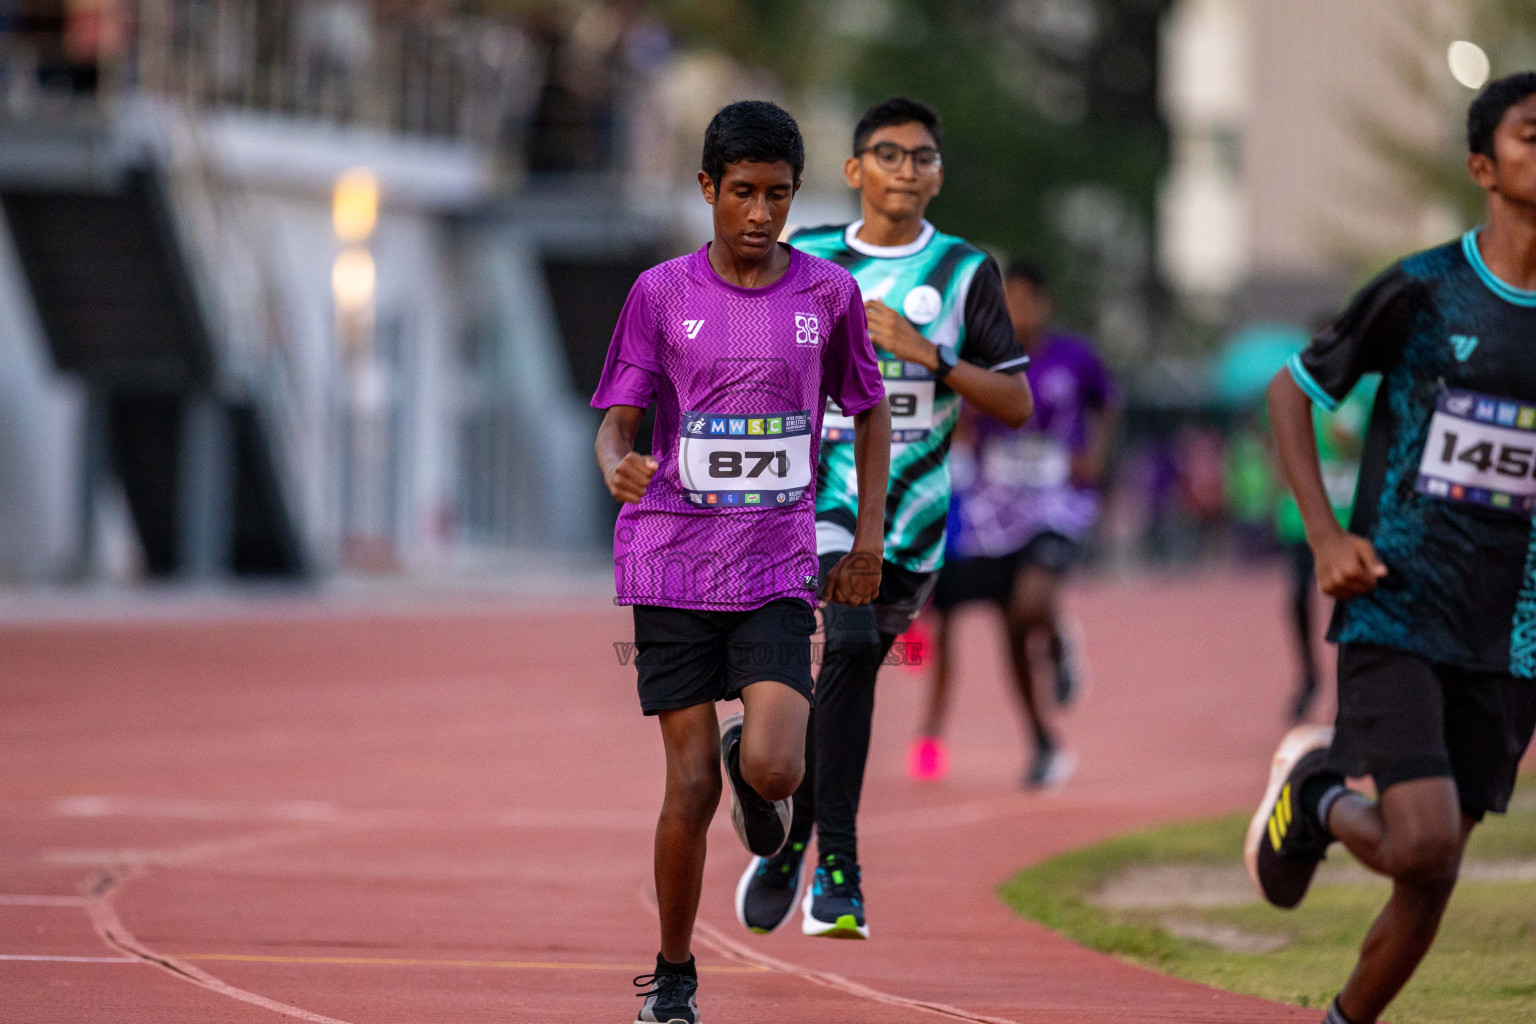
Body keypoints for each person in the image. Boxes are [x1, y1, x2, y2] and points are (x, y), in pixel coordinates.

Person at [593, 100, 891, 1024]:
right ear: (707, 191)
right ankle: (675, 976)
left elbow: (870, 408)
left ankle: (753, 776)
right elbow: (616, 424)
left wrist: (871, 533)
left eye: (779, 196)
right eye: (743, 194)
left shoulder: (827, 296)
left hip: (774, 566)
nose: (761, 214)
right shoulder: (660, 294)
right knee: (687, 786)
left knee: (773, 771)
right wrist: (618, 467)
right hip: (672, 561)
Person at [1248, 72, 1536, 1024]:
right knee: (1422, 844)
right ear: (1482, 167)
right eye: (1535, 136)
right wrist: (1326, 537)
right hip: (1400, 600)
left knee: (1435, 871)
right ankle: (1317, 784)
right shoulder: (1424, 288)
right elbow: (1293, 391)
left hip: (1516, 632)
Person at [732, 96, 1033, 940]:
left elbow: (1015, 401)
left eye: (924, 157)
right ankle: (839, 869)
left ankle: (788, 840)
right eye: (890, 154)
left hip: (916, 516)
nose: (908, 169)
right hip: (813, 498)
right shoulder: (809, 259)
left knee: (850, 666)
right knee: (854, 641)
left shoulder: (967, 273)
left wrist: (927, 354)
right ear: (855, 169)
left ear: (939, 174)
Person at [918, 260, 1117, 788]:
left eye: (1028, 300)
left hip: (1057, 503)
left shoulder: (1075, 356)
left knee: (1030, 605)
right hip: (993, 510)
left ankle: (1057, 639)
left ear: (1044, 304)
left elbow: (1108, 404)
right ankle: (1042, 742)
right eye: (1010, 300)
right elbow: (955, 417)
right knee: (1008, 629)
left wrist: (1093, 455)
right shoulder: (981, 358)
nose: (1018, 311)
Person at [1271, 324, 1377, 724]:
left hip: (1353, 518)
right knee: (1298, 598)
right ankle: (1309, 679)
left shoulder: (1365, 394)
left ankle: (1349, 691)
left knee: (1351, 606)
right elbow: (1281, 442)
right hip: (1303, 519)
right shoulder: (1298, 391)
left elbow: (1373, 446)